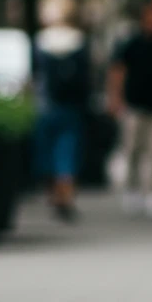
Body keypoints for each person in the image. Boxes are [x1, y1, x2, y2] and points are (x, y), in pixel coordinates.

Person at [107, 2, 152, 219]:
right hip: (134, 105)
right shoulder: (131, 44)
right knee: (132, 149)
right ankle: (132, 189)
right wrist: (115, 98)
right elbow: (117, 71)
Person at [33, 12, 91, 221]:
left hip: (45, 107)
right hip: (71, 108)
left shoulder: (40, 42)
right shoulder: (79, 43)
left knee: (47, 153)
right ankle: (66, 196)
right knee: (67, 153)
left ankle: (54, 195)